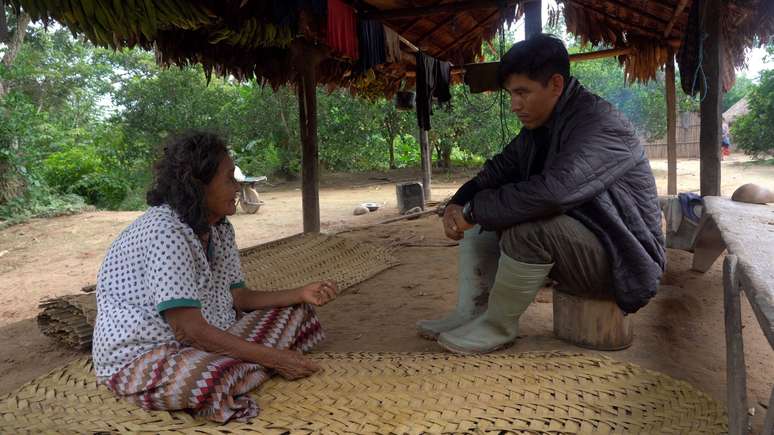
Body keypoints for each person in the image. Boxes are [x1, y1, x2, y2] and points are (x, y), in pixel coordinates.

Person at [417, 34, 665, 354]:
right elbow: (498, 171)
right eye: (511, 94)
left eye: (523, 92)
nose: (514, 104)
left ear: (556, 85)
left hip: (625, 255)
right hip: (593, 239)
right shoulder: (543, 126)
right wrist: (460, 202)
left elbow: (553, 193)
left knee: (525, 229)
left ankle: (498, 326)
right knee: (485, 218)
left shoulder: (600, 124)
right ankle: (472, 313)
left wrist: (473, 211)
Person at [92, 131, 337, 422]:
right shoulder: (165, 232)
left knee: (299, 313)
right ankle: (243, 368)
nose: (237, 186)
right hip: (147, 356)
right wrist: (275, 358)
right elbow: (189, 331)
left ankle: (243, 369)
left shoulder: (219, 227)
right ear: (197, 185)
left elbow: (239, 297)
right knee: (211, 379)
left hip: (204, 337)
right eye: (229, 179)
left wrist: (300, 293)